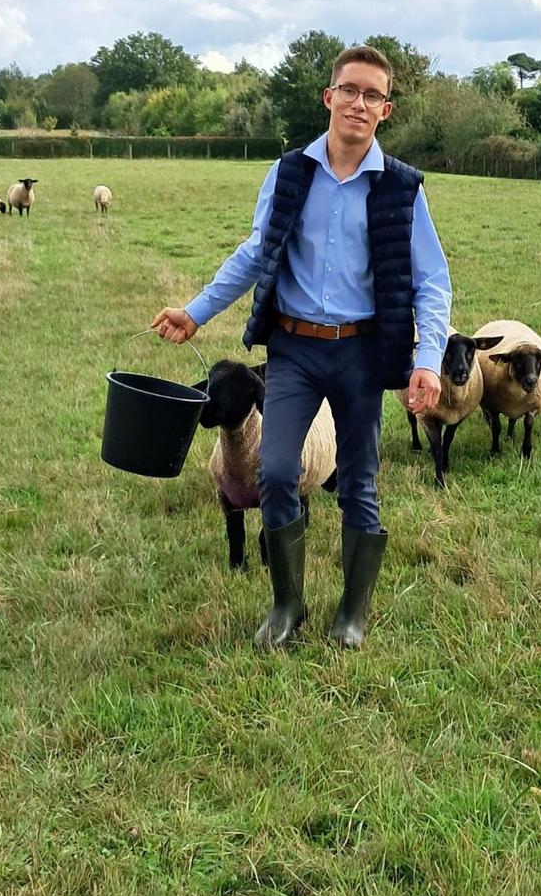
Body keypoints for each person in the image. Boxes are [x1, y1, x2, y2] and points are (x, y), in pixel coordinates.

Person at [153, 45, 452, 650]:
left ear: (386, 109)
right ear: (330, 97)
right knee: (278, 469)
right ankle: (287, 604)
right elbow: (256, 252)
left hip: (363, 356)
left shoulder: (402, 189)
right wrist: (195, 309)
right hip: (293, 349)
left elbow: (432, 282)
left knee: (359, 482)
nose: (359, 103)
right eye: (350, 90)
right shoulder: (291, 172)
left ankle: (352, 613)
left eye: (373, 95)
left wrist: (426, 362)